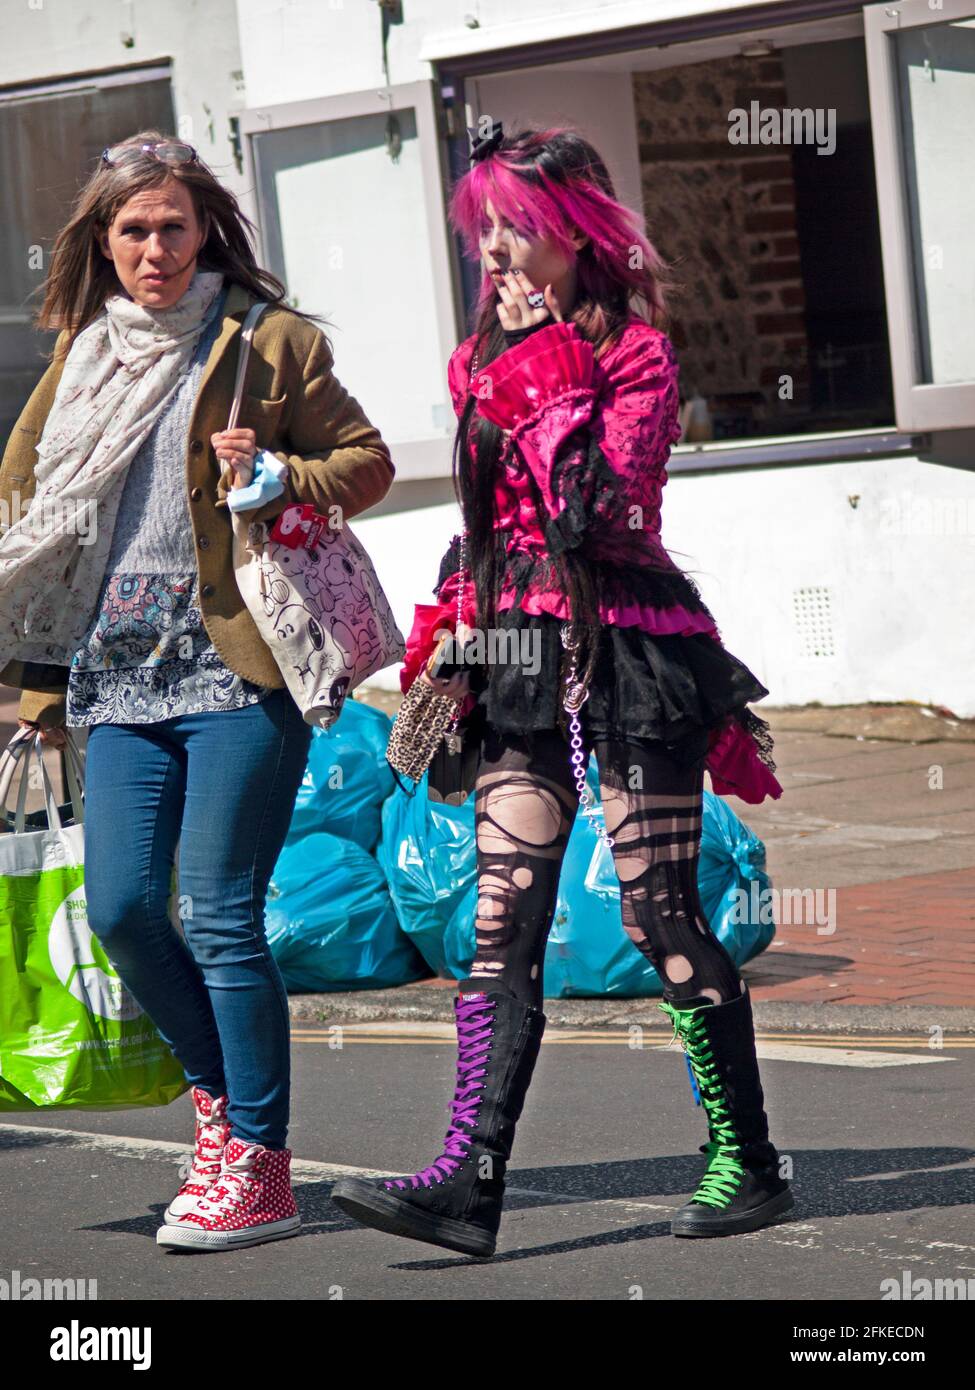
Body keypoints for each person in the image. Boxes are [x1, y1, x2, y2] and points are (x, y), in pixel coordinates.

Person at [331, 122, 793, 1258]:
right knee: (500, 925)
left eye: (518, 230)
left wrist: (542, 379)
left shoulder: (637, 354)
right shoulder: (473, 359)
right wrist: (450, 629)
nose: (493, 252)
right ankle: (468, 1183)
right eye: (483, 229)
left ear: (576, 238)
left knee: (659, 913)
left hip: (632, 648)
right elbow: (486, 532)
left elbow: (598, 513)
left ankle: (750, 1160)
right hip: (519, 659)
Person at [0, 131, 394, 1252]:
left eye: (174, 226)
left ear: (205, 229)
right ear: (103, 242)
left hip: (238, 667)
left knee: (221, 915)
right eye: (133, 230)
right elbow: (29, 515)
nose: (156, 248)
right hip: (116, 676)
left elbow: (363, 462)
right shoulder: (82, 354)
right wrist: (33, 679)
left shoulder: (267, 342)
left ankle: (258, 1167)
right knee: (125, 908)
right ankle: (224, 1110)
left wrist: (278, 479)